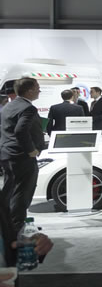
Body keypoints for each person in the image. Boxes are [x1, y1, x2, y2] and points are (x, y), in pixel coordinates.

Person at [0, 78, 47, 237]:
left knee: (11, 191)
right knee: (23, 192)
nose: (39, 90)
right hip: (22, 156)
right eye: (37, 87)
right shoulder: (28, 108)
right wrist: (31, 150)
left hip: (8, 154)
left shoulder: (9, 105)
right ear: (29, 90)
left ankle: (9, 226)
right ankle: (17, 228)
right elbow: (20, 130)